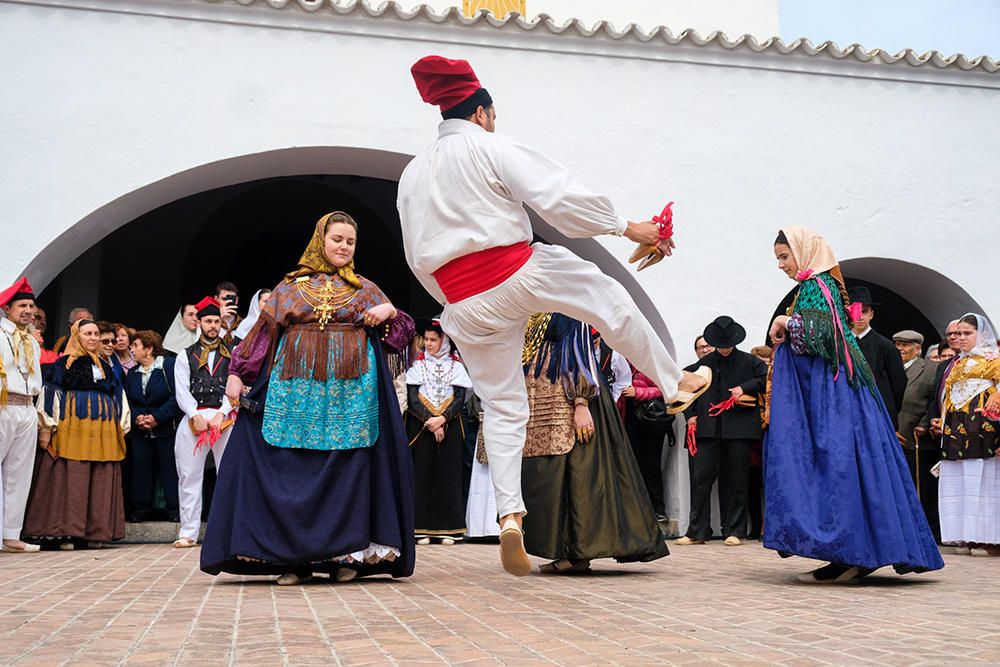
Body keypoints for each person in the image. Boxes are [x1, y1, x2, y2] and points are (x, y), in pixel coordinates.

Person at [397, 54, 709, 576]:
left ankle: (510, 513)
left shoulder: (411, 175)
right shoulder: (488, 145)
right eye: (493, 115)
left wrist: (455, 304)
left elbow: (414, 256)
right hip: (517, 269)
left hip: (462, 301)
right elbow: (557, 198)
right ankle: (675, 380)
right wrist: (630, 227)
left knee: (501, 407)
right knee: (608, 299)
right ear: (481, 113)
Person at [201, 211, 415, 585]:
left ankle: (345, 557)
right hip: (293, 393)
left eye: (350, 242)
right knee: (289, 466)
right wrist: (238, 372)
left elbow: (399, 337)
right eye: (337, 240)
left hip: (352, 394)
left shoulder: (366, 289)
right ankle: (292, 561)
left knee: (350, 469)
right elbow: (263, 337)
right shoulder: (289, 288)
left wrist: (391, 311)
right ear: (321, 241)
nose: (344, 247)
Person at [766, 227, 942, 583]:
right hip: (839, 394)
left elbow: (821, 337)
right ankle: (853, 553)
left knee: (838, 468)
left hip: (834, 397)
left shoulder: (818, 286)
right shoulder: (817, 287)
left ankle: (851, 553)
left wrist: (785, 321)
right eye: (779, 259)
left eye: (785, 256)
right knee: (850, 470)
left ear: (805, 252)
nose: (782, 265)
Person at [520, 313, 668, 573]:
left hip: (569, 400)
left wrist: (581, 402)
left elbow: (580, 352)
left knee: (580, 477)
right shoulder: (533, 312)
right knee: (551, 477)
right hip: (541, 401)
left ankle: (579, 553)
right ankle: (564, 549)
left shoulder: (569, 311)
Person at [23, 319, 129, 550]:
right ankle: (67, 533)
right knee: (72, 477)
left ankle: (95, 532)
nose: (93, 338)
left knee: (99, 477)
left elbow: (117, 395)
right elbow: (52, 395)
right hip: (73, 428)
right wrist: (46, 428)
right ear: (76, 336)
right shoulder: (63, 365)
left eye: (95, 334)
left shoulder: (105, 366)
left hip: (103, 431)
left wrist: (121, 424)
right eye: (88, 334)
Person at [676, 316, 767, 547]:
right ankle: (697, 531)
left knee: (737, 481)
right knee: (700, 479)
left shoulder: (750, 362)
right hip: (708, 429)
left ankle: (735, 530)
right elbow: (683, 385)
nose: (724, 348)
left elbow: (765, 377)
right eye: (721, 344)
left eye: (728, 344)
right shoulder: (702, 365)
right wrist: (690, 415)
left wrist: (744, 388)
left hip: (739, 430)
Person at [931, 314, 1000, 557]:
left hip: (982, 427)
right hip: (957, 427)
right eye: (958, 334)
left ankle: (987, 539)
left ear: (981, 334)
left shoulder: (993, 360)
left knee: (982, 479)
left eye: (967, 333)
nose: (960, 338)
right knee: (960, 478)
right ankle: (965, 536)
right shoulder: (958, 363)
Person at [172, 297, 233, 548]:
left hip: (224, 418)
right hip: (194, 418)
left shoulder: (233, 353)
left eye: (216, 321)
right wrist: (193, 414)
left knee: (228, 474)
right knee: (189, 475)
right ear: (199, 323)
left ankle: (228, 532)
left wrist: (224, 412)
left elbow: (235, 385)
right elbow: (181, 389)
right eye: (208, 321)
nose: (212, 325)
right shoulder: (185, 355)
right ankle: (188, 532)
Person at [405, 318, 473, 545]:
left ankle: (449, 528)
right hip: (422, 426)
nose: (429, 344)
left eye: (434, 340)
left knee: (449, 475)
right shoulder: (417, 366)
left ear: (444, 341)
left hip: (450, 425)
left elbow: (461, 398)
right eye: (426, 339)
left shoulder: (456, 367)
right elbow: (412, 398)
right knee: (422, 474)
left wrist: (443, 418)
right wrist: (431, 421)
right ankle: (421, 527)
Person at [0, 278, 43, 553]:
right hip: (3, 404)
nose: (28, 311)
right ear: (7, 308)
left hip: (27, 406)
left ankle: (11, 534)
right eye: (22, 306)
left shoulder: (31, 340)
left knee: (19, 472)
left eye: (31, 306)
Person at [123, 330, 180, 523]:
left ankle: (174, 510)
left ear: (149, 349)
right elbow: (128, 400)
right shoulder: (132, 373)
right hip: (141, 432)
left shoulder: (169, 367)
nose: (132, 349)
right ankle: (141, 509)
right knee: (141, 469)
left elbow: (177, 397)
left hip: (166, 429)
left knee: (170, 469)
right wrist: (138, 417)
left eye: (136, 346)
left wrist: (157, 417)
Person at [893, 329, 940, 542]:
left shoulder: (930, 369)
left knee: (917, 484)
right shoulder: (891, 367)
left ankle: (923, 530)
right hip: (893, 433)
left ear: (917, 348)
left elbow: (933, 400)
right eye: (898, 345)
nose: (901, 349)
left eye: (905, 345)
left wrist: (923, 424)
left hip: (915, 436)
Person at [848, 286, 907, 430]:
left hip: (878, 415)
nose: (860, 317)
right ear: (847, 314)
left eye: (865, 311)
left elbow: (899, 384)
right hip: (848, 414)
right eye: (856, 311)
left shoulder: (886, 346)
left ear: (871, 314)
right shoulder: (841, 343)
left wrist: (888, 407)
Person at [619, 364, 673, 522]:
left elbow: (663, 389)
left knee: (651, 466)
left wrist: (637, 392)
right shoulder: (617, 365)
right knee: (632, 466)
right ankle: (638, 511)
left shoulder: (647, 366)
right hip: (627, 420)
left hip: (649, 422)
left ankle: (658, 510)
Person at [215, 282, 242, 346]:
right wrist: (218, 319)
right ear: (216, 299)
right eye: (224, 299)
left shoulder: (244, 324)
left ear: (236, 300)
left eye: (232, 299)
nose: (227, 302)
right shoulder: (207, 322)